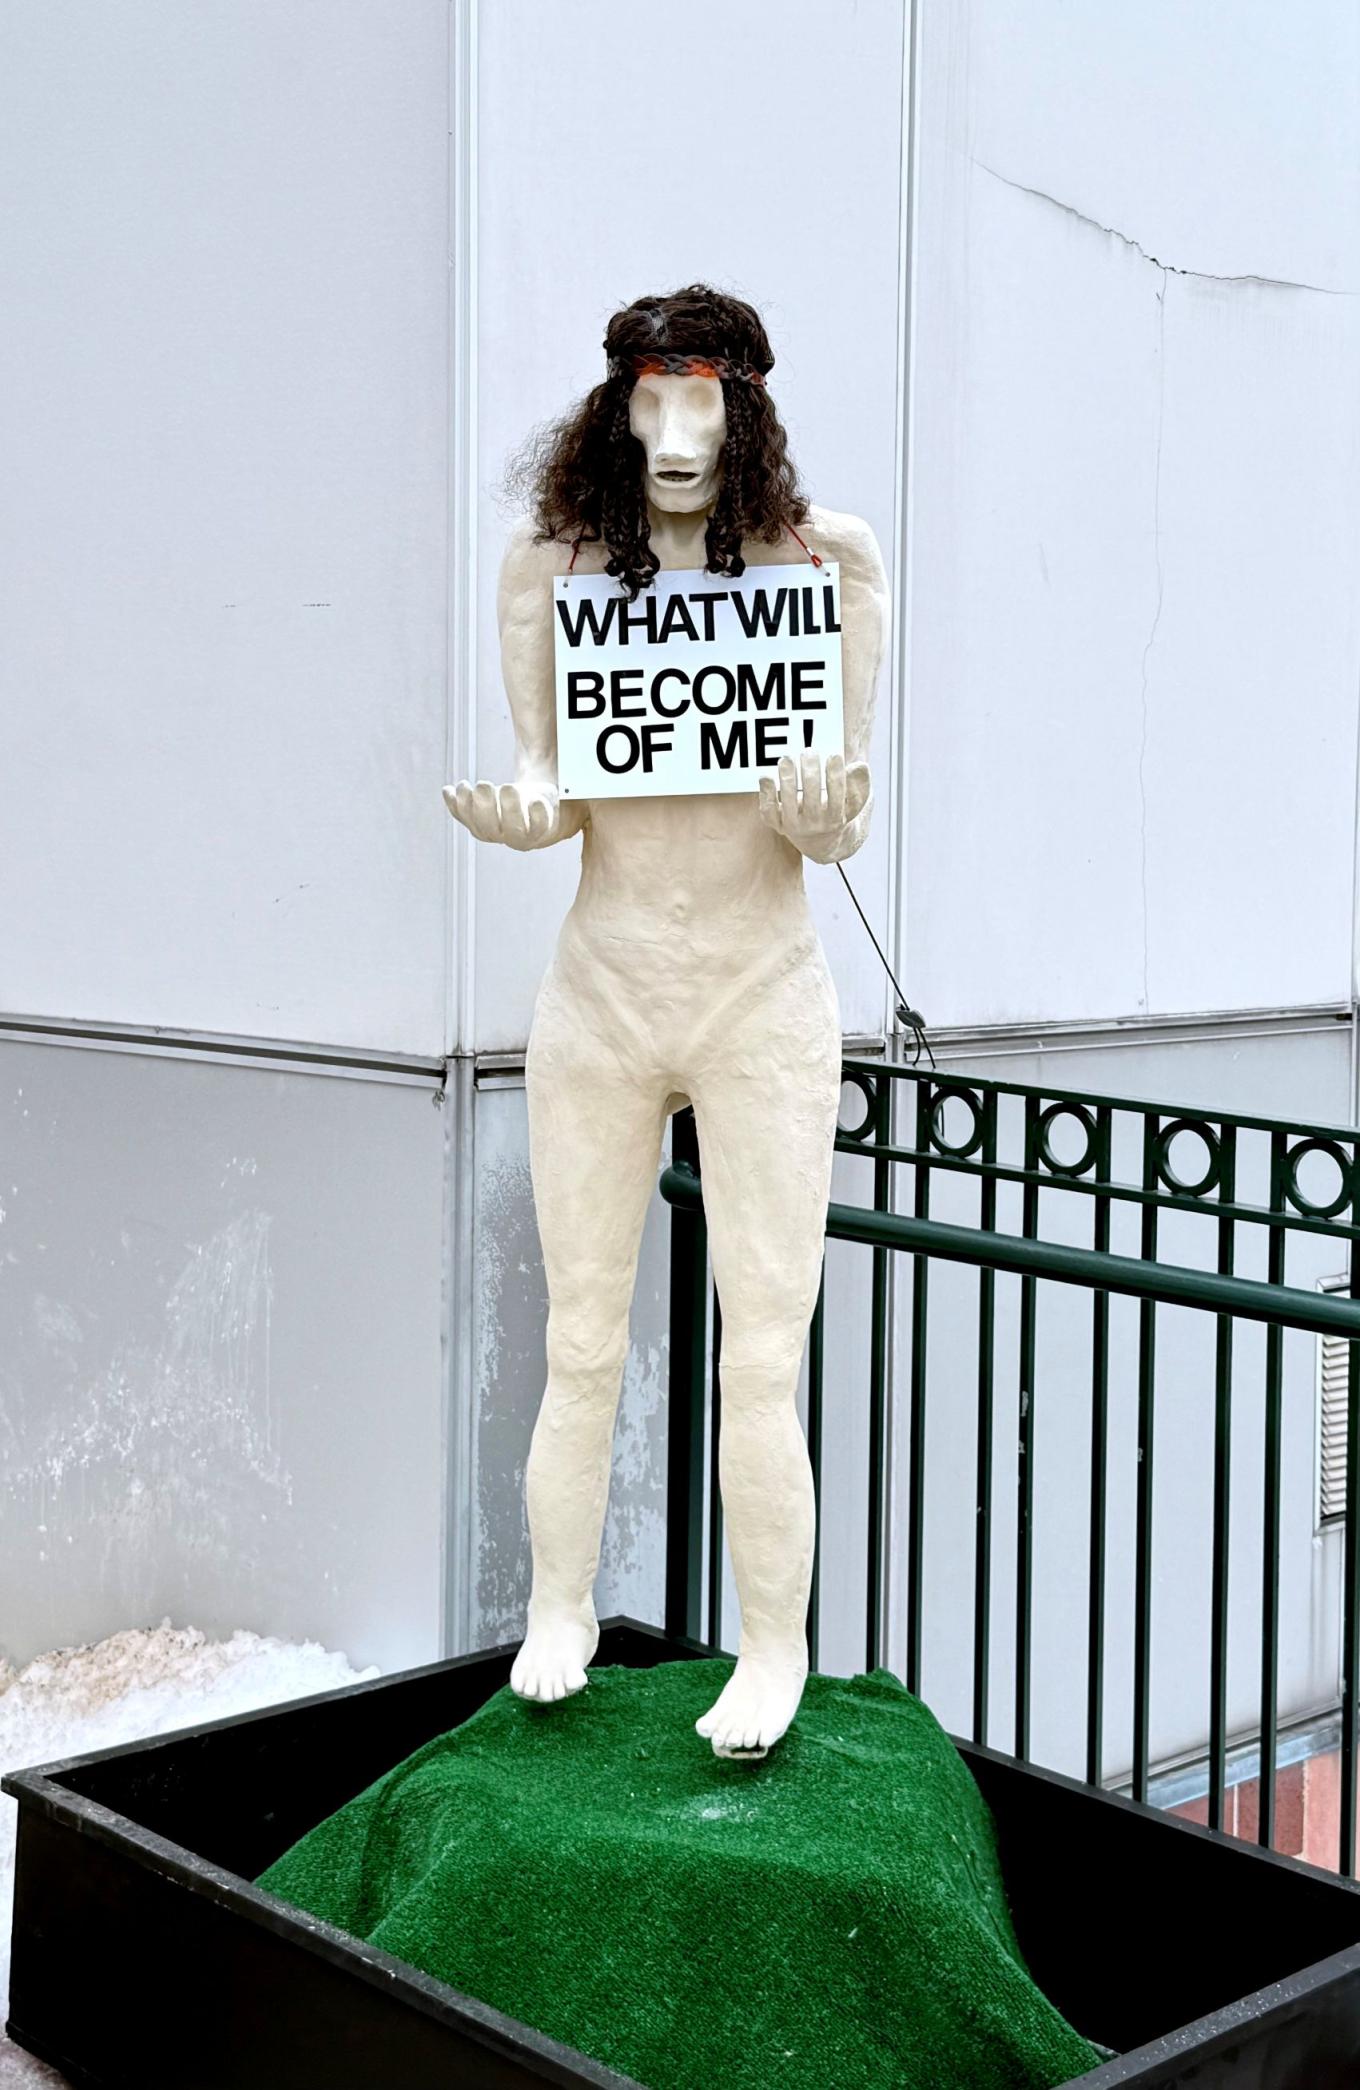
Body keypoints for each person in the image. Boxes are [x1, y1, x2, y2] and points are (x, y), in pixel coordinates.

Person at [445, 285, 889, 1756]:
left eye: (700, 395)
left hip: (763, 994)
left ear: (742, 407)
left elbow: (835, 809)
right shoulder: (550, 568)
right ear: (616, 407)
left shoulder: (824, 566)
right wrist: (523, 812)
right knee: (584, 1337)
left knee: (762, 1351)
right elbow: (551, 775)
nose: (676, 427)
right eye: (650, 394)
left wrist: (831, 812)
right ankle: (559, 1606)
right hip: (607, 988)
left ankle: (773, 1647)